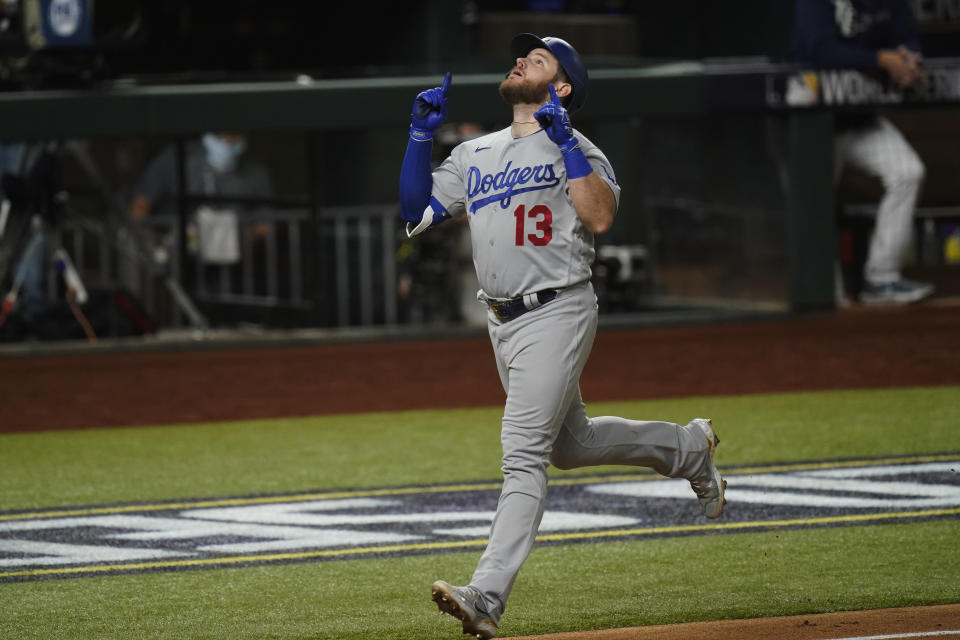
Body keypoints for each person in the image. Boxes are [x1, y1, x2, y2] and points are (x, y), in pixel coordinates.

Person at [397, 34, 727, 639]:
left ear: (563, 87)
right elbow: (413, 209)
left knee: (522, 455)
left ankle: (487, 596)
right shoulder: (476, 153)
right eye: (522, 55)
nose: (521, 60)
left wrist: (566, 138)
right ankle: (688, 449)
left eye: (539, 59)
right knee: (569, 446)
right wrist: (420, 137)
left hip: (558, 311)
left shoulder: (582, 150)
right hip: (501, 322)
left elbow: (599, 215)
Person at [794, 0, 933, 304]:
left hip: (859, 118)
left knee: (907, 172)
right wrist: (882, 60)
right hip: (810, 125)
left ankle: (882, 279)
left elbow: (905, 34)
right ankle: (824, 297)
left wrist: (909, 58)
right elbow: (821, 51)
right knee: (813, 206)